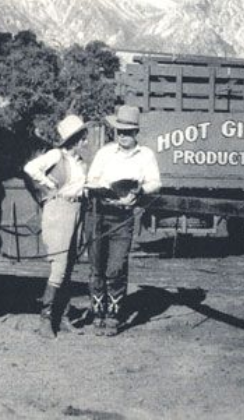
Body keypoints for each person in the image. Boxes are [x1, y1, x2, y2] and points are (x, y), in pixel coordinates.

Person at [85, 105, 161, 336]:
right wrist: (104, 188)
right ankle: (98, 313)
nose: (123, 136)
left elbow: (155, 182)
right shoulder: (104, 153)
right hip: (97, 214)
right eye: (119, 131)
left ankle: (114, 315)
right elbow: (91, 180)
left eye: (128, 132)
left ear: (136, 133)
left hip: (123, 217)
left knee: (116, 267)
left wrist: (138, 191)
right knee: (96, 266)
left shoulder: (145, 155)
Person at [23, 114, 89, 339]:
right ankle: (46, 319)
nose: (85, 140)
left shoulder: (79, 161)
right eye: (82, 136)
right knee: (59, 266)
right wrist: (50, 185)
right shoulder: (55, 155)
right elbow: (31, 168)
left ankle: (64, 317)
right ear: (75, 138)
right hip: (58, 210)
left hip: (77, 210)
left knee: (70, 265)